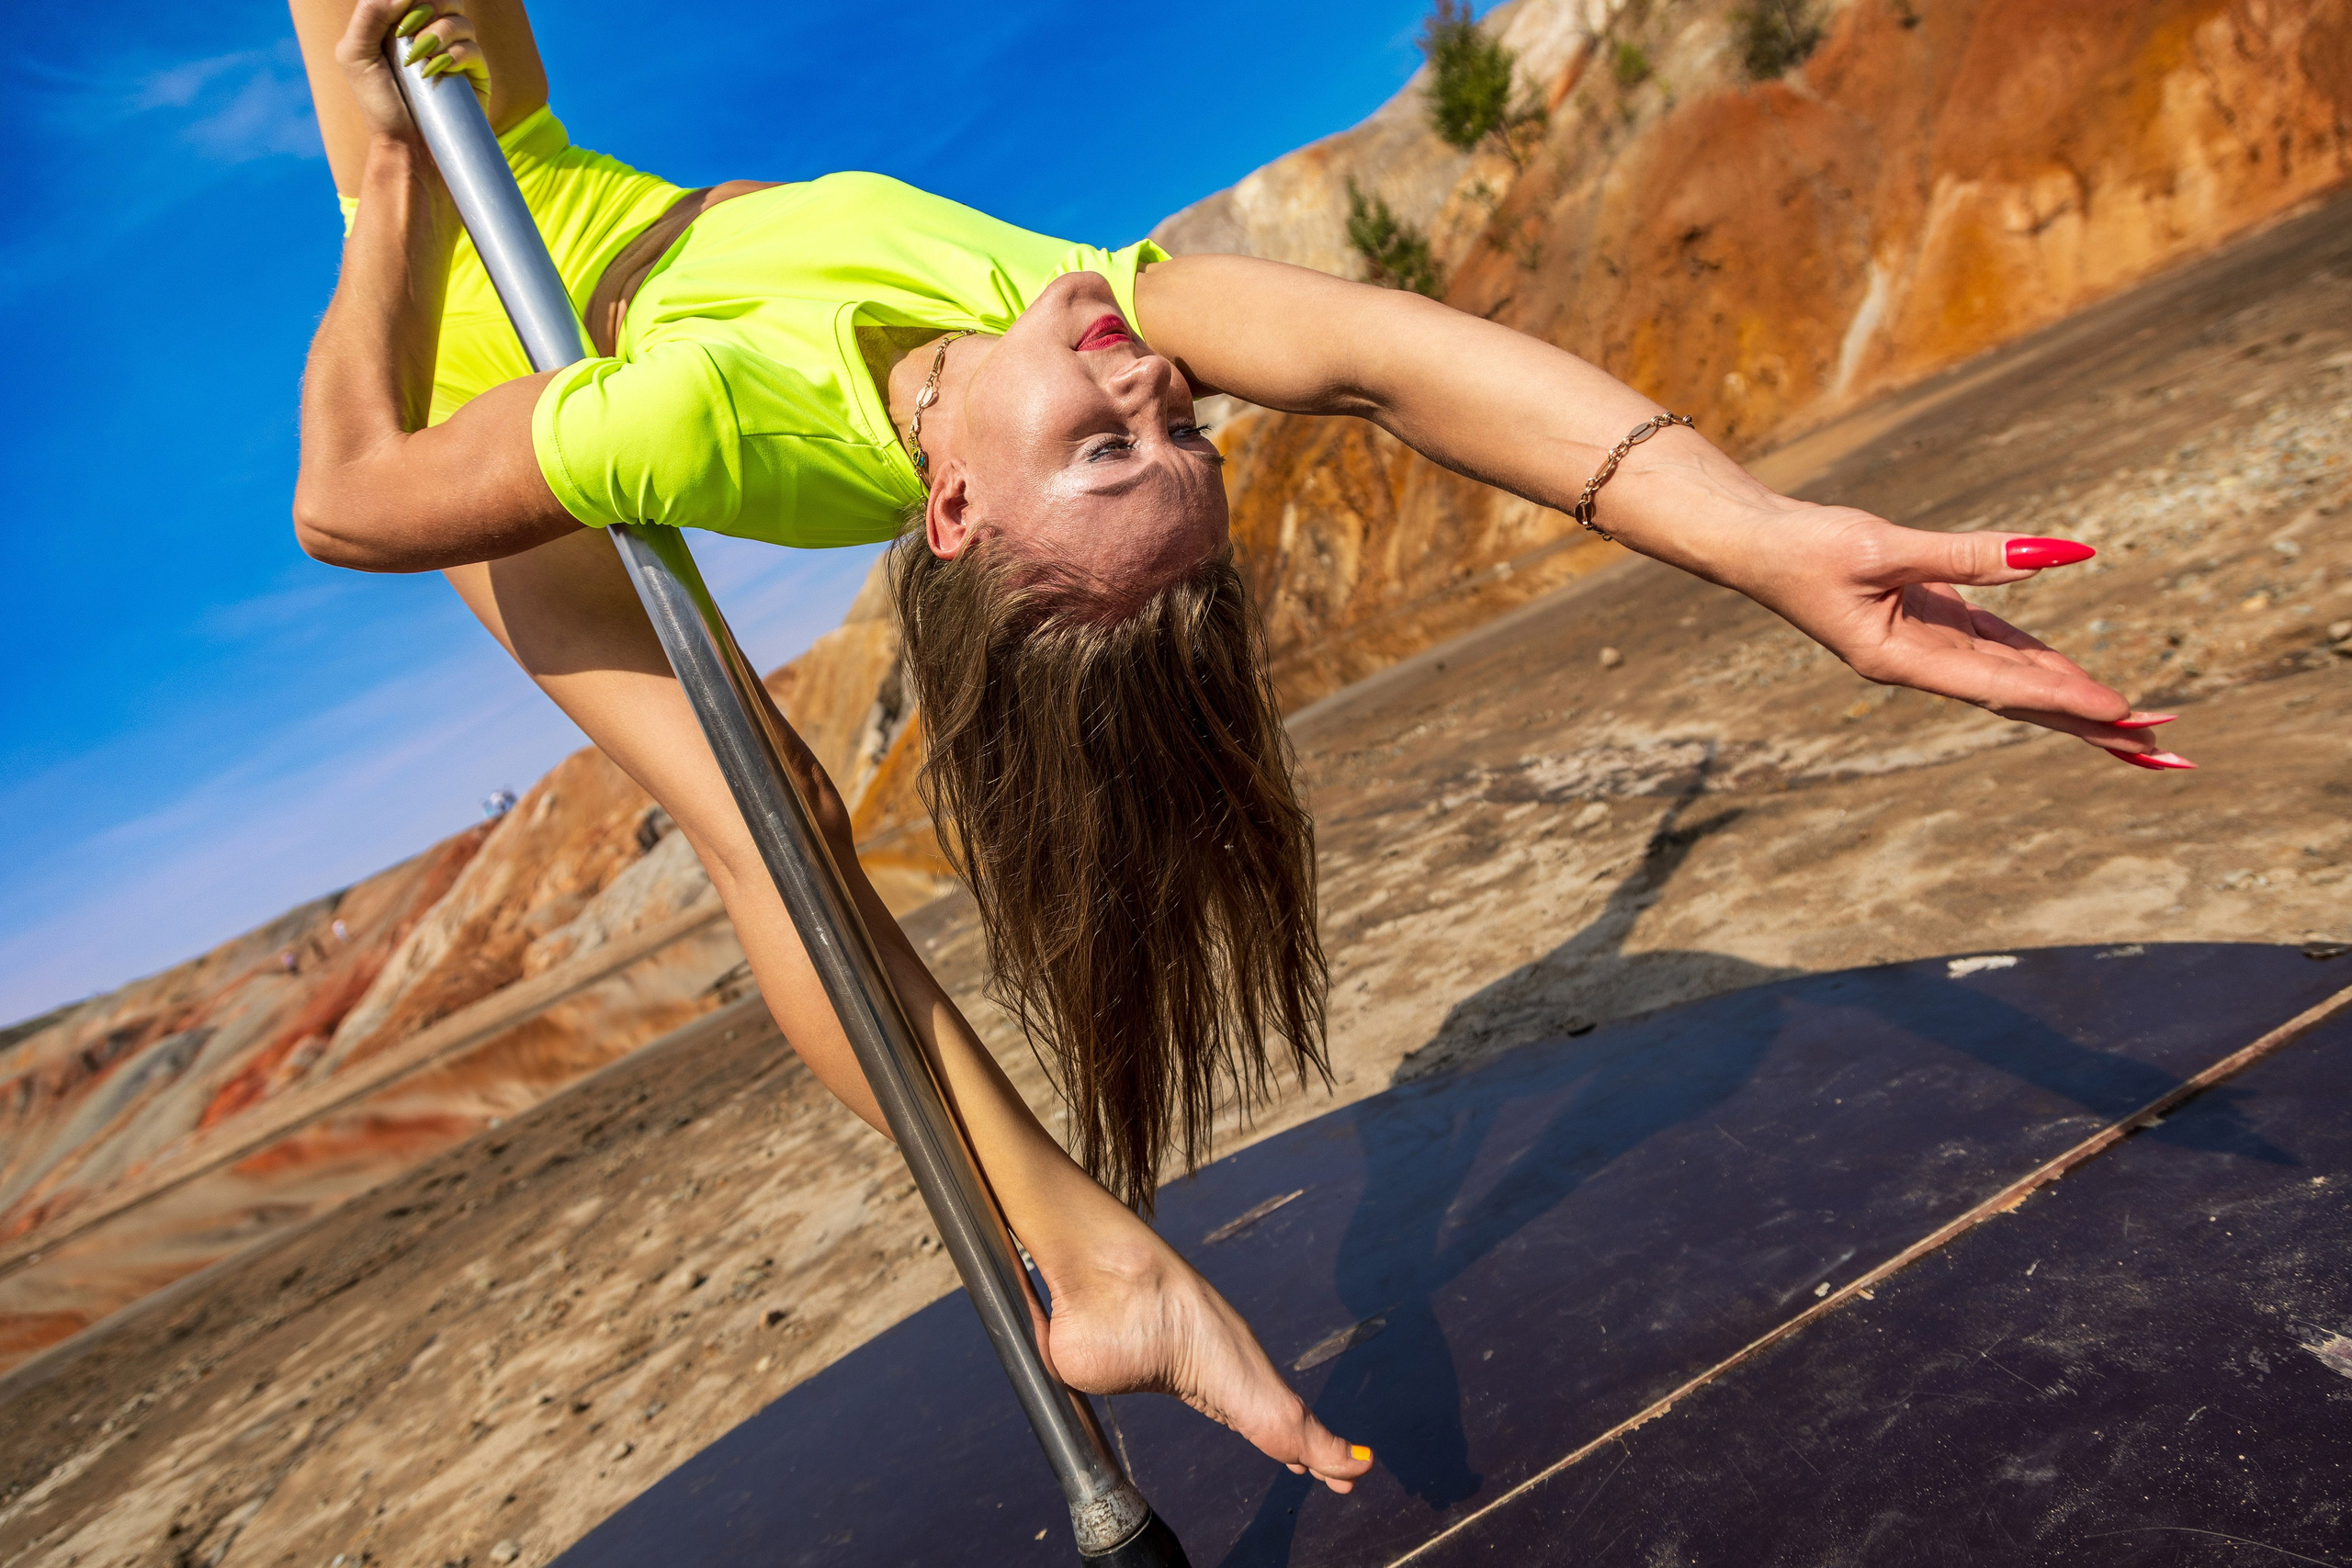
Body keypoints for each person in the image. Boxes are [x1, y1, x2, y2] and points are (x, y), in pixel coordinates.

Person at [288, 0, 2183, 1494]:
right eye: (1171, 430)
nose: (1145, 380)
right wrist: (1766, 542)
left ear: (953, 509)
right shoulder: (1061, 310)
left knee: (765, 814)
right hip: (533, 169)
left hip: (459, 387)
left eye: (1110, 441)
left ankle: (1092, 1261)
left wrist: (382, 197)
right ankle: (1101, 1264)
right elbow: (1380, 359)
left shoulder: (698, 408)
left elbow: (347, 498)